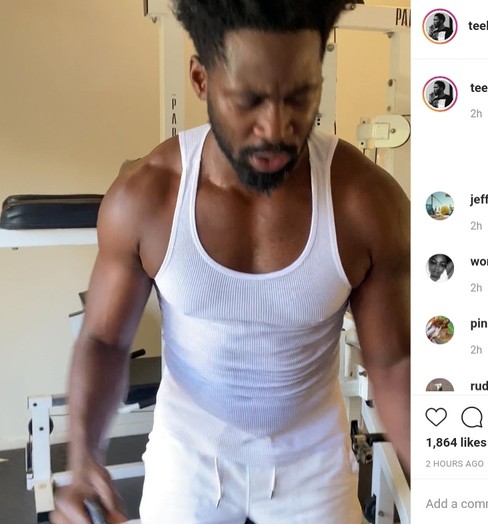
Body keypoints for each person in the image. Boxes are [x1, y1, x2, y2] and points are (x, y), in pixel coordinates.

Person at [50, 1, 409, 523]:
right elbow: (104, 339)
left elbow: (394, 363)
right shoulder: (148, 198)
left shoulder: (365, 204)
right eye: (249, 99)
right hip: (188, 453)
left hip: (311, 457)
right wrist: (83, 459)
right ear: (200, 79)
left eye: (300, 96)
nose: (276, 127)